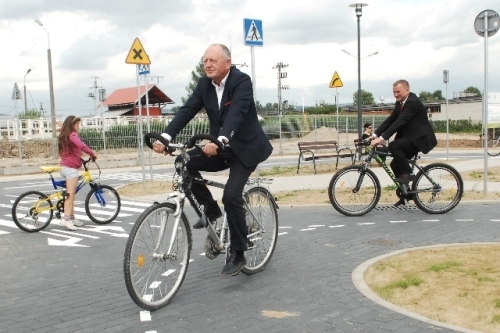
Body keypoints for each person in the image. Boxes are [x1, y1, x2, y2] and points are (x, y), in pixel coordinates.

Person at [152, 43, 273, 276]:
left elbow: (236, 113)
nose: (207, 64)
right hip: (219, 147)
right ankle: (210, 208)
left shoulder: (241, 81)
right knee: (183, 162)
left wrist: (222, 139)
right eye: (204, 60)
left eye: (213, 60)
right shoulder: (204, 84)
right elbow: (187, 110)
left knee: (231, 195)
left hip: (245, 149)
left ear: (227, 63)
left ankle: (238, 251)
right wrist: (166, 137)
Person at [370, 80, 437, 204]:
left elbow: (400, 121)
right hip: (411, 137)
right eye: (394, 92)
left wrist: (382, 138)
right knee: (395, 164)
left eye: (398, 92)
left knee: (394, 146)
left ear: (407, 90)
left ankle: (409, 173)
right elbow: (391, 120)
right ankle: (406, 195)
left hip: (420, 139)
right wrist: (374, 135)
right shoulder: (400, 102)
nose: (396, 95)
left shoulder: (413, 102)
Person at [58, 116, 97, 230]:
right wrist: (91, 153)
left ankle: (71, 217)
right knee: (70, 195)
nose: (78, 128)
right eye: (77, 125)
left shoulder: (64, 135)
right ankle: (65, 219)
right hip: (70, 170)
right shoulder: (72, 135)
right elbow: (81, 145)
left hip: (65, 168)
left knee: (72, 194)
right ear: (72, 126)